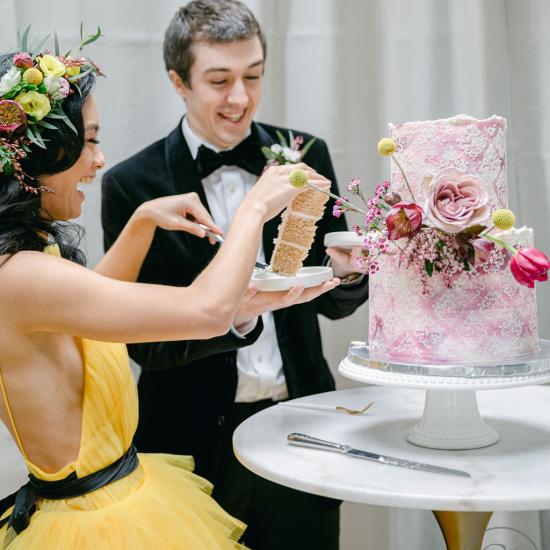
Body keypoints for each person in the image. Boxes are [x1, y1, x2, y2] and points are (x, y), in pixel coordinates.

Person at [0, 40, 337, 549]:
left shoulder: (33, 262)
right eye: (89, 141)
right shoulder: (20, 276)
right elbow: (203, 312)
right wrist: (253, 209)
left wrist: (141, 222)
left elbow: (93, 306)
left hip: (124, 495)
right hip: (94, 522)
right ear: (40, 157)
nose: (99, 159)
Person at [102, 2, 369, 548]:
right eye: (219, 80)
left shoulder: (303, 154)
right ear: (178, 81)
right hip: (188, 447)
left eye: (253, 76)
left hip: (302, 431)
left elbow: (328, 303)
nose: (240, 98)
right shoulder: (134, 187)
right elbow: (142, 345)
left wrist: (349, 276)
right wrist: (237, 317)